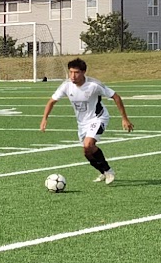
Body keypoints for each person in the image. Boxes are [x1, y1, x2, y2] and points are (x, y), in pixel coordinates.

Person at [39, 56, 134, 184]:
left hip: (98, 118)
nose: (73, 76)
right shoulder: (66, 86)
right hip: (82, 123)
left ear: (84, 72)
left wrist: (124, 118)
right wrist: (44, 119)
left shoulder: (94, 85)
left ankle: (108, 171)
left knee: (88, 144)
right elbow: (52, 101)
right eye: (71, 72)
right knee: (86, 152)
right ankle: (103, 172)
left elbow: (116, 97)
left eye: (76, 72)